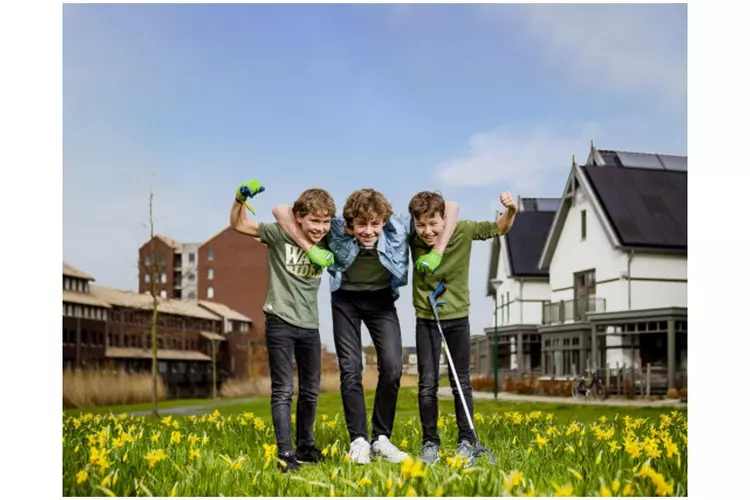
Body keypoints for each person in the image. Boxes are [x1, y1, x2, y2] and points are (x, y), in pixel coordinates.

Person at [272, 188, 458, 464]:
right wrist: (310, 248)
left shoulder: (398, 226)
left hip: (381, 300)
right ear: (350, 223)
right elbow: (280, 211)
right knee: (351, 369)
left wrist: (438, 253)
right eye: (361, 224)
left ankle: (381, 438)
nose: (368, 231)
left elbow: (451, 207)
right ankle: (358, 440)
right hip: (345, 300)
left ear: (384, 220)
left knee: (393, 367)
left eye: (374, 224)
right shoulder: (336, 227)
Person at [230, 179, 336, 473]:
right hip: (280, 320)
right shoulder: (279, 234)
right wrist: (239, 199)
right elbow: (239, 225)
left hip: (310, 323)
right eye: (314, 220)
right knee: (283, 389)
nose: (320, 228)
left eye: (325, 222)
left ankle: (305, 445)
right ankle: (285, 453)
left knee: (311, 390)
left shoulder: (327, 239)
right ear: (299, 217)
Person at [407, 191, 517, 464]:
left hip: (457, 317)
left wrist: (512, 210)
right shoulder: (412, 239)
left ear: (445, 218)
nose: (427, 231)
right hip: (426, 317)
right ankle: (430, 443)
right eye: (421, 225)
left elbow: (499, 227)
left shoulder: (464, 230)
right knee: (427, 384)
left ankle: (466, 441)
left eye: (433, 224)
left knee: (460, 382)